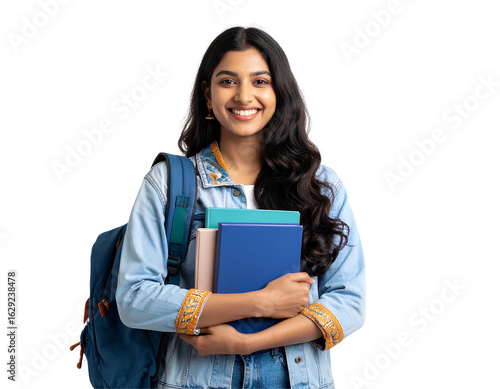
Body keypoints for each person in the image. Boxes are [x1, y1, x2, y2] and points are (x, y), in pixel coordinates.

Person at [116, 26, 365, 389]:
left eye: (260, 81)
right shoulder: (169, 183)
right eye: (228, 81)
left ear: (279, 92)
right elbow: (135, 298)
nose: (244, 95)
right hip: (197, 379)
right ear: (208, 93)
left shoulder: (321, 184)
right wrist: (259, 302)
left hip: (299, 379)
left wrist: (247, 343)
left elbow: (349, 303)